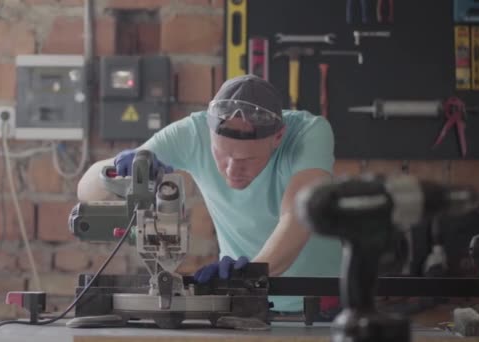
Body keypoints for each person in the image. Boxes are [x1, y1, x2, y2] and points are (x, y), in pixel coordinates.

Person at [77, 74, 342, 314]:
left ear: (278, 137)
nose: (232, 169)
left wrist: (250, 274)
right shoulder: (193, 133)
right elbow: (86, 190)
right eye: (222, 154)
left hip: (322, 303)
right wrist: (123, 167)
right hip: (247, 304)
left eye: (247, 158)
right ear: (208, 130)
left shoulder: (309, 132)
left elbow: (297, 215)